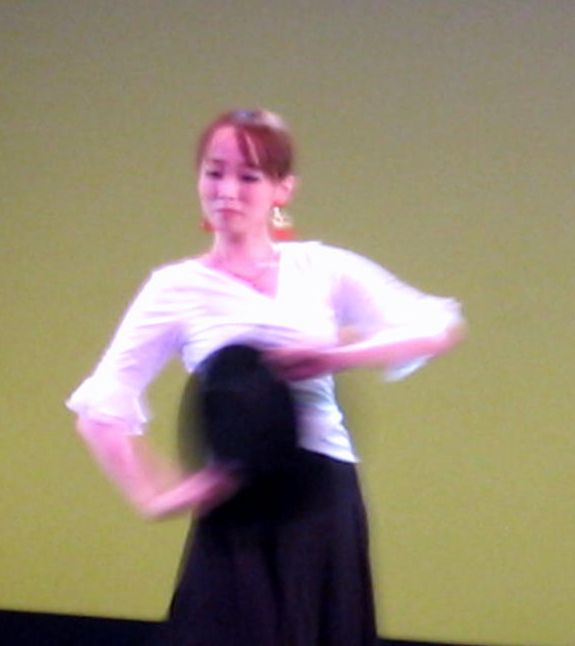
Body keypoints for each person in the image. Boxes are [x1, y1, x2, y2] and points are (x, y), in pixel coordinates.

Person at [68, 109, 466, 645]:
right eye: (214, 172)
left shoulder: (321, 268)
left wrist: (336, 355)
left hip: (322, 495)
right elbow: (100, 409)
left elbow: (436, 326)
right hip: (241, 505)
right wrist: (157, 495)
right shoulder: (176, 288)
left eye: (249, 176)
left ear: (282, 188)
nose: (227, 190)